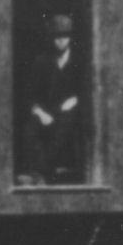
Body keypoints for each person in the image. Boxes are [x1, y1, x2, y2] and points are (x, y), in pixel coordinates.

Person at [20, 14, 85, 184]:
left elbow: (86, 91)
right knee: (30, 129)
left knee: (65, 124)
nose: (60, 41)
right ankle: (39, 172)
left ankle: (43, 173)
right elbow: (29, 95)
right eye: (57, 37)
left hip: (71, 111)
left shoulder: (80, 61)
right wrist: (40, 113)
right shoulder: (42, 62)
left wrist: (76, 100)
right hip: (47, 110)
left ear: (70, 38)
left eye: (64, 36)